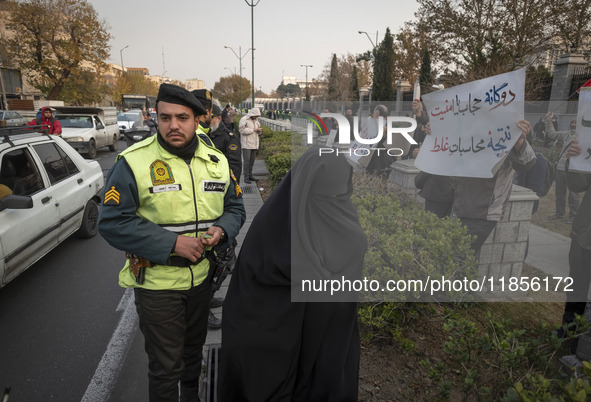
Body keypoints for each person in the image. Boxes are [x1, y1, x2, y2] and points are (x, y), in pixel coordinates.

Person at [98, 83, 245, 402]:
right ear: (157, 117)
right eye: (165, 117)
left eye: (182, 117)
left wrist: (220, 230)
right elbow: (111, 222)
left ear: (198, 120)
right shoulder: (133, 162)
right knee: (165, 367)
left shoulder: (216, 162)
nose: (173, 125)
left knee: (193, 353)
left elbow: (235, 208)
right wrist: (172, 244)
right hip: (157, 285)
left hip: (202, 280)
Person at [219, 148, 367, 401]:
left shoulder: (344, 216)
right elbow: (252, 300)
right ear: (306, 189)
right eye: (327, 196)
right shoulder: (273, 225)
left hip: (326, 337)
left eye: (340, 196)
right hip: (273, 339)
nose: (335, 202)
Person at [453, 120, 535, 256]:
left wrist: (518, 142)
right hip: (460, 203)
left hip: (484, 210)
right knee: (464, 260)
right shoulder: (471, 128)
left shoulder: (508, 126)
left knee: (460, 257)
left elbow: (526, 162)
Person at [204, 103, 242, 329]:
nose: (207, 121)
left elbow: (234, 168)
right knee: (214, 262)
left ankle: (207, 298)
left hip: (220, 202)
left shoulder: (227, 136)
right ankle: (204, 306)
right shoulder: (201, 138)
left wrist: (228, 193)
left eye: (210, 117)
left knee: (224, 259)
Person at [557, 138, 591, 352]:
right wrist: (575, 160)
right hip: (585, 234)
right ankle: (567, 334)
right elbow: (578, 185)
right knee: (576, 289)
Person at [545, 113, 580, 224]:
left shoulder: (584, 137)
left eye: (575, 123)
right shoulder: (565, 134)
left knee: (573, 195)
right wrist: (549, 121)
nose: (573, 125)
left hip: (574, 169)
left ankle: (573, 216)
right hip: (560, 168)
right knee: (559, 193)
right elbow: (552, 134)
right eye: (572, 123)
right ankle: (559, 213)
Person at [239, 107, 262, 184]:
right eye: (256, 115)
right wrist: (254, 130)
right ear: (252, 114)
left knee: (252, 161)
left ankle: (250, 175)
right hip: (246, 144)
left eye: (257, 116)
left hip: (254, 144)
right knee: (246, 162)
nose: (256, 117)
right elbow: (241, 130)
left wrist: (259, 131)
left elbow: (256, 130)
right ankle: (246, 177)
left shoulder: (256, 120)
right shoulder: (244, 119)